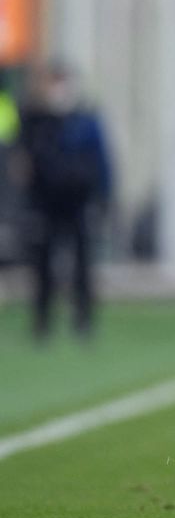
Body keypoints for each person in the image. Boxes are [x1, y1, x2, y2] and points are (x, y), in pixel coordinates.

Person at [14, 62, 112, 341]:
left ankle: (83, 320)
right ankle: (42, 322)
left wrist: (103, 197)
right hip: (45, 203)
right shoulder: (36, 121)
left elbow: (102, 162)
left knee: (81, 264)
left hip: (78, 202)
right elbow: (24, 162)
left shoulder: (86, 121)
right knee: (43, 265)